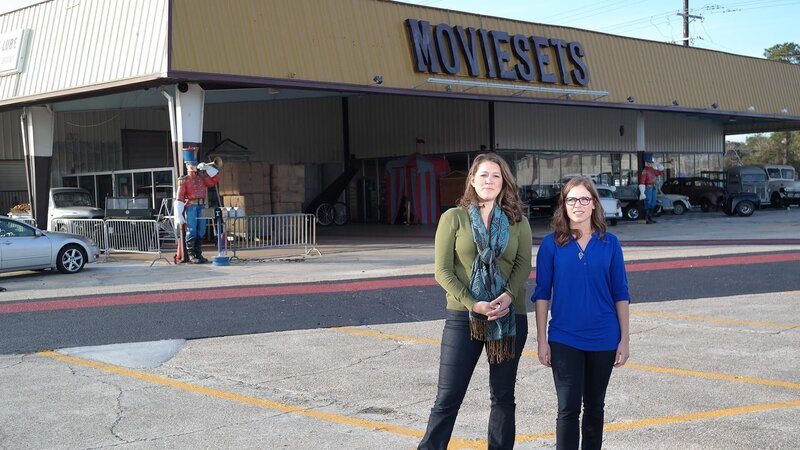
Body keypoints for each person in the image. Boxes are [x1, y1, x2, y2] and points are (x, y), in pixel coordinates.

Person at [419, 153, 532, 450]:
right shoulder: (453, 218)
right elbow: (442, 271)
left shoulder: (518, 221)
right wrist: (473, 303)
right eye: (483, 175)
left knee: (503, 397)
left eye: (496, 176)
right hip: (464, 316)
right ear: (471, 179)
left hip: (508, 316)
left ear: (504, 182)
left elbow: (523, 265)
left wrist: (508, 296)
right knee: (448, 397)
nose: (489, 181)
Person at [531, 176, 630, 450]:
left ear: (594, 204)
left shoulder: (610, 243)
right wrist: (541, 340)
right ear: (563, 205)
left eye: (584, 199)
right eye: (571, 199)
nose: (578, 204)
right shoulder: (551, 245)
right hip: (564, 338)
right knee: (567, 408)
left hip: (604, 337)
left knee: (595, 407)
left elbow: (621, 293)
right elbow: (542, 294)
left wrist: (624, 339)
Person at [175, 159, 220, 264]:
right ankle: (192, 255)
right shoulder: (184, 180)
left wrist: (208, 168)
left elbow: (216, 179)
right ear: (188, 166)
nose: (195, 166)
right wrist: (179, 214)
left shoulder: (201, 178)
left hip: (202, 206)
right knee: (192, 230)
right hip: (191, 206)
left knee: (201, 230)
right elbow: (179, 197)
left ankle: (198, 254)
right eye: (193, 165)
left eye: (195, 165)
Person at [638, 153, 664, 224]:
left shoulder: (652, 170)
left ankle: (650, 217)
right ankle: (647, 218)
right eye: (648, 162)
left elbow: (661, 172)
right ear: (646, 162)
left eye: (650, 162)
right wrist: (642, 192)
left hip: (653, 187)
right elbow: (642, 181)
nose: (649, 163)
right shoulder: (645, 171)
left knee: (653, 203)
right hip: (648, 187)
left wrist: (658, 165)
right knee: (648, 202)